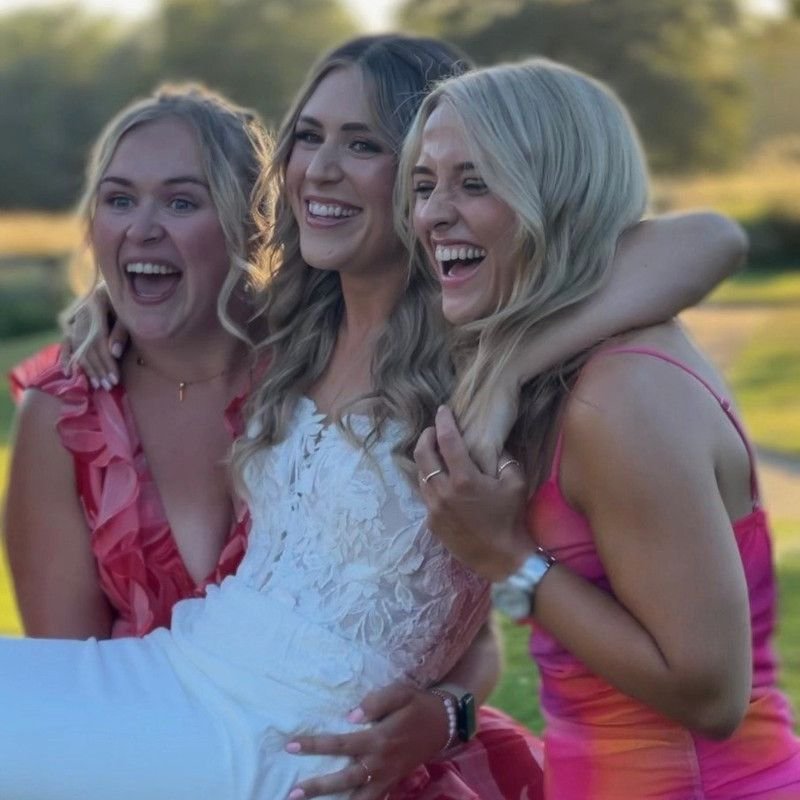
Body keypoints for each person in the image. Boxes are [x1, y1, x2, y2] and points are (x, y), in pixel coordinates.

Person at [0, 35, 745, 800]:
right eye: (309, 137)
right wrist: (105, 308)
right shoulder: (298, 326)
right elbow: (181, 302)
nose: (320, 168)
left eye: (363, 144)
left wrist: (513, 365)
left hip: (283, 740)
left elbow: (710, 239)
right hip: (174, 676)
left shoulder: (480, 335)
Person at [406, 58, 800, 798]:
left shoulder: (618, 396)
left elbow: (709, 695)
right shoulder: (560, 364)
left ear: (557, 194)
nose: (432, 214)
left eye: (475, 181)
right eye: (425, 185)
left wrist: (508, 556)